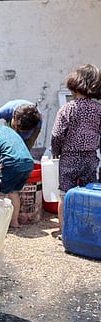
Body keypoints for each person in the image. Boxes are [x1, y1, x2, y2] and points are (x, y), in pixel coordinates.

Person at [51, 63, 101, 235]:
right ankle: (86, 230)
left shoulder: (67, 108)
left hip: (69, 157)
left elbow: (57, 134)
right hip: (90, 157)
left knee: (65, 194)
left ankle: (63, 230)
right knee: (89, 195)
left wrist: (55, 150)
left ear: (74, 85)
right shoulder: (98, 110)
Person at [0, 112, 33, 228]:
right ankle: (14, 223)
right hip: (28, 162)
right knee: (13, 192)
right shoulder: (5, 129)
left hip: (11, 163)